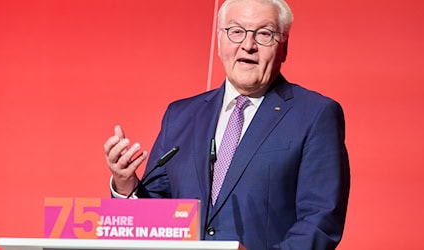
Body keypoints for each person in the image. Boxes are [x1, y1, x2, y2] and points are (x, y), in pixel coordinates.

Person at [103, 0, 350, 249]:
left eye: (264, 33)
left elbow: (320, 221)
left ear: (284, 47)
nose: (248, 45)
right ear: (220, 42)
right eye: (236, 31)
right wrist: (126, 185)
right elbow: (158, 215)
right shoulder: (180, 116)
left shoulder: (315, 114)